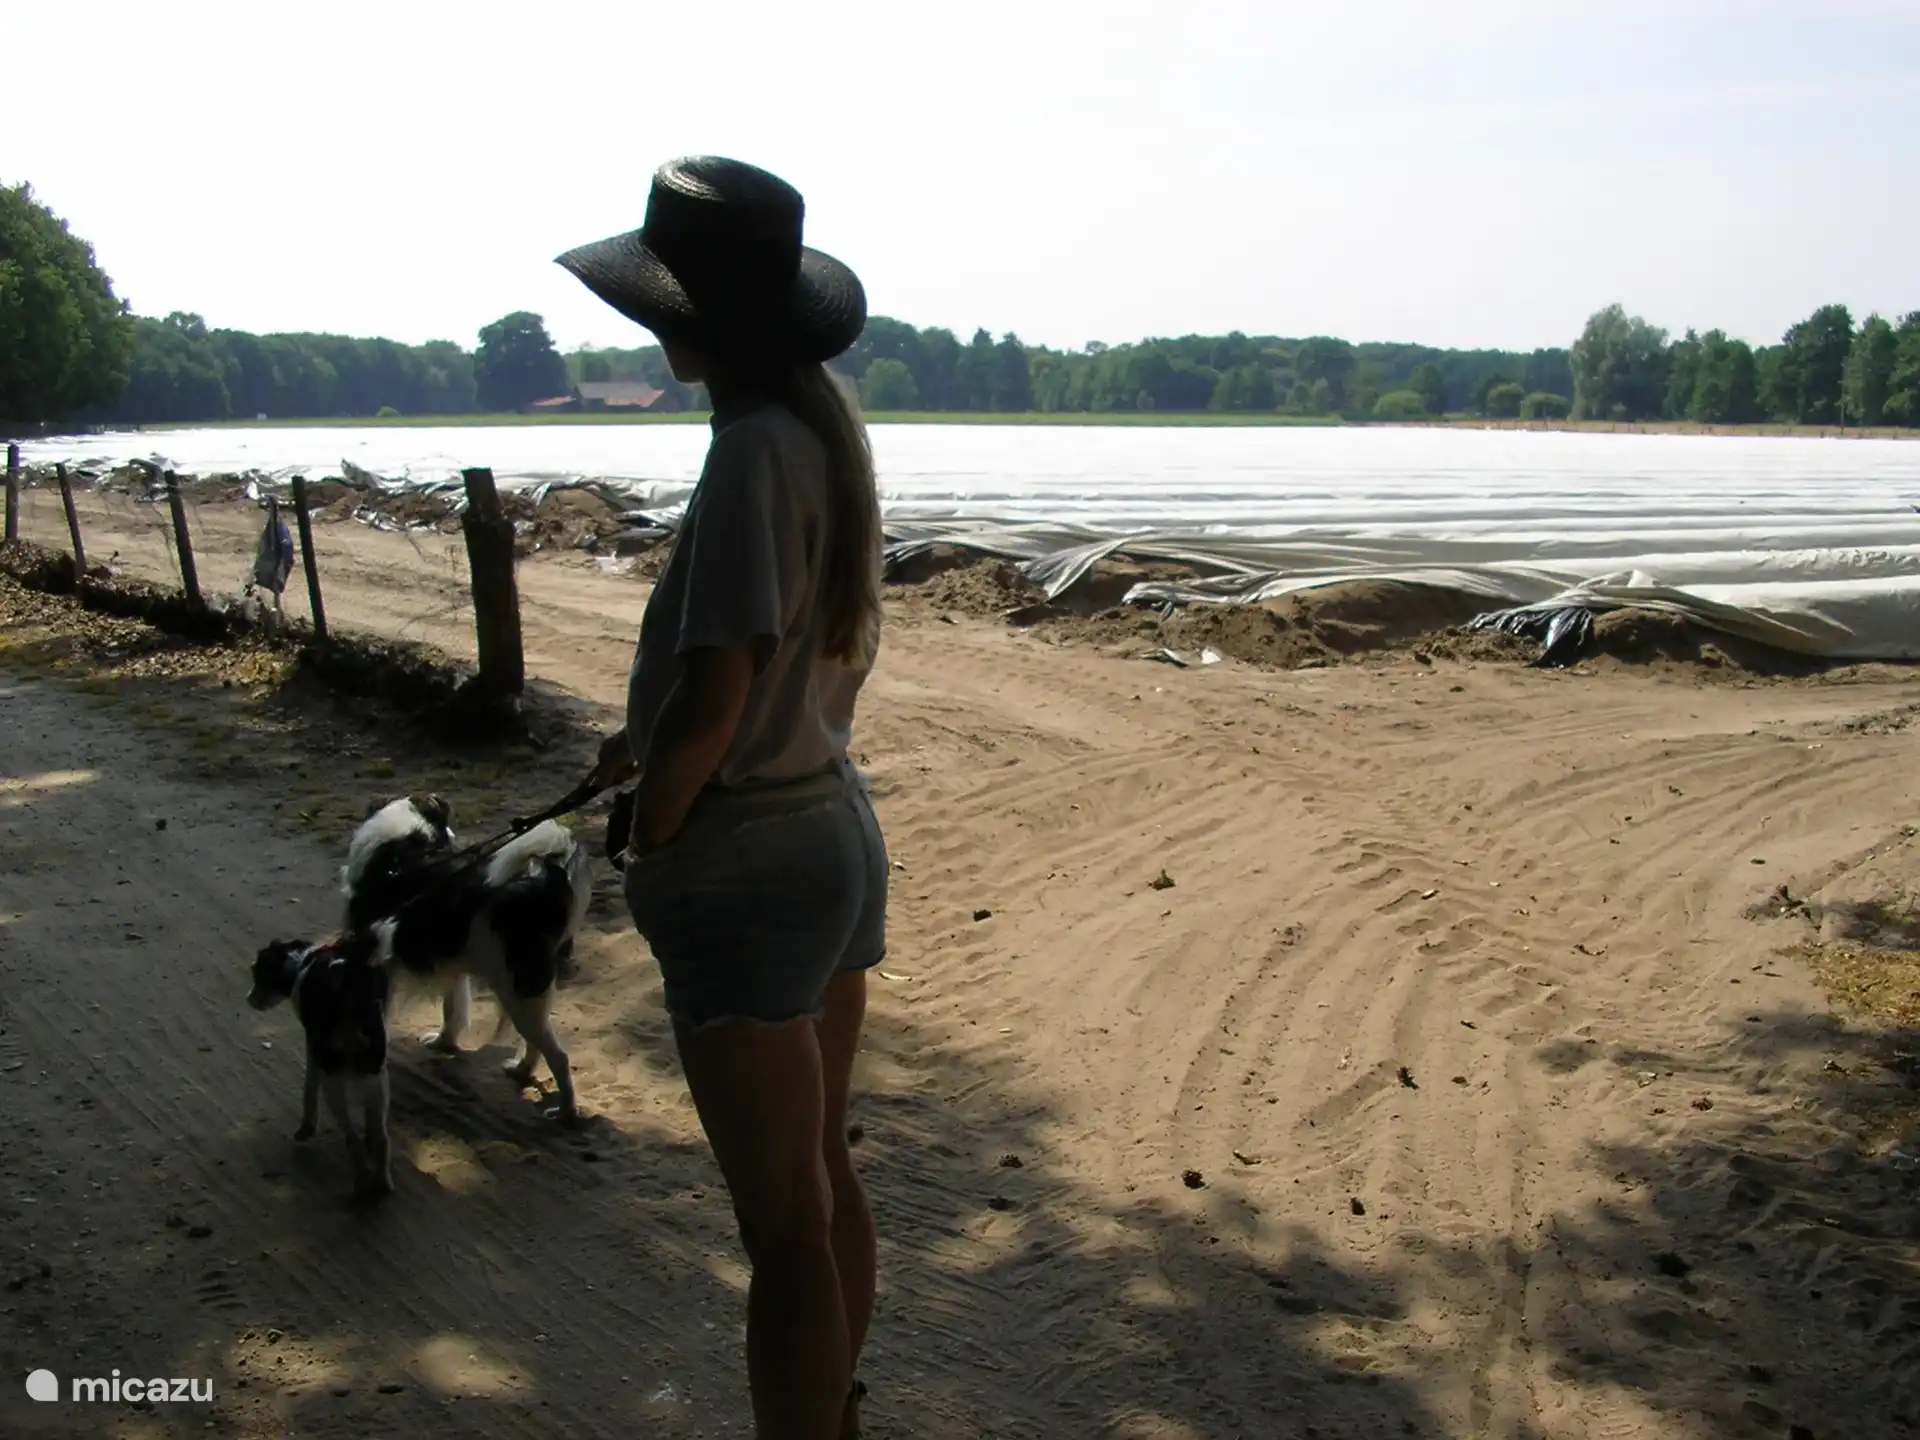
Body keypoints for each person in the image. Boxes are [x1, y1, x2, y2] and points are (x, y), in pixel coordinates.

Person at [559, 156, 889, 1440]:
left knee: (784, 1229)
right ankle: (837, 1412)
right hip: (830, 819)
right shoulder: (817, 437)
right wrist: (639, 751)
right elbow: (760, 680)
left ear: (688, 319)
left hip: (752, 856)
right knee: (823, 1178)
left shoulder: (751, 451)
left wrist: (656, 822)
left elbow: (718, 692)